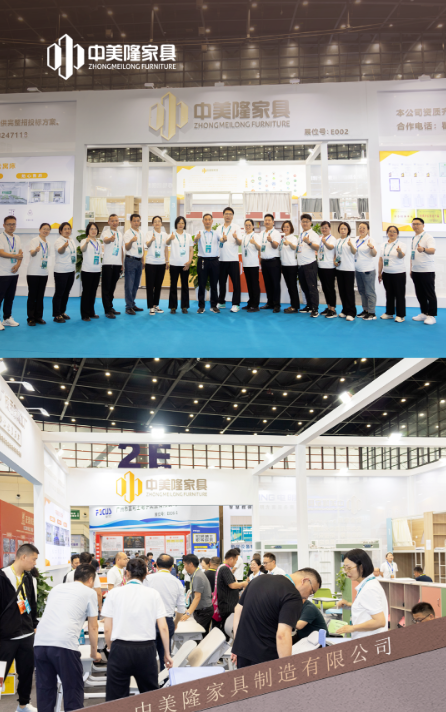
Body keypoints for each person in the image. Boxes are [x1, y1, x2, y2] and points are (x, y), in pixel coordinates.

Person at [102, 558, 173, 701]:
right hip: (146, 650)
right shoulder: (153, 594)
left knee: (116, 700)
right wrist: (166, 653)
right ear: (145, 574)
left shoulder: (114, 593)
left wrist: (110, 648)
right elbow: (163, 627)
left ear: (127, 573)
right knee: (150, 697)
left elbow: (107, 628)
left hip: (120, 649)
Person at [34, 564, 101, 712]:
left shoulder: (57, 588)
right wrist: (94, 652)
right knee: (73, 690)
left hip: (40, 642)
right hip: (64, 644)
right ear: (91, 579)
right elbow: (93, 626)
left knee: (45, 691)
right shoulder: (89, 593)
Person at [231, 568, 321, 668]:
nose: (307, 597)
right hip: (265, 657)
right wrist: (286, 667)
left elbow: (238, 609)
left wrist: (236, 646)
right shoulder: (293, 596)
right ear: (305, 580)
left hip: (243, 653)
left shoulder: (259, 579)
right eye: (311, 591)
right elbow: (282, 635)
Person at [0, 543, 39, 712]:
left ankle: (23, 705)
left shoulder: (28, 578)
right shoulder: (2, 577)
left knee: (26, 672)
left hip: (26, 635)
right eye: (34, 559)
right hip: (6, 637)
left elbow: (31, 604)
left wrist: (33, 625)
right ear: (23, 557)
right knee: (0, 674)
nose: (35, 563)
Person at [336, 548, 388, 639]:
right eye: (345, 568)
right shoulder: (368, 584)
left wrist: (352, 628)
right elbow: (367, 608)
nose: (346, 571)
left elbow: (380, 621)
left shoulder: (369, 588)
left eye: (349, 568)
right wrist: (349, 605)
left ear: (361, 567)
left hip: (370, 640)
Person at [145, 554, 186, 670]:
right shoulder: (177, 582)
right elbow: (181, 608)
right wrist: (175, 622)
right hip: (167, 621)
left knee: (148, 655)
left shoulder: (148, 579)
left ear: (156, 565)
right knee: (166, 655)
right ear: (171, 566)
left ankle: (150, 678)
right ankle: (165, 679)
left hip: (149, 621)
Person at [410, 216, 437, 326]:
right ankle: (424, 313)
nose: (415, 226)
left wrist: (423, 249)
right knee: (420, 294)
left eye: (418, 224)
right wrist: (411, 269)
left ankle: (431, 316)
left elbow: (432, 250)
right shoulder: (414, 238)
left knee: (429, 294)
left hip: (427, 270)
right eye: (414, 224)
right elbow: (412, 255)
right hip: (416, 271)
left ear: (423, 225)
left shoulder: (428, 237)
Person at [215, 549, 249, 631]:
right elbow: (232, 585)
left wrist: (238, 585)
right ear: (231, 559)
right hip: (228, 606)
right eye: (236, 560)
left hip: (226, 604)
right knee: (228, 630)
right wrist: (243, 583)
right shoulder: (225, 569)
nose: (236, 563)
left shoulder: (222, 567)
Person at [216, 206, 243, 312]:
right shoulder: (219, 228)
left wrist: (236, 237)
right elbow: (218, 241)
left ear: (232, 216)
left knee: (236, 283)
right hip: (221, 259)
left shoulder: (236, 227)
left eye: (230, 214)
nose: (228, 215)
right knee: (221, 283)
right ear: (223, 215)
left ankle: (236, 304)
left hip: (233, 260)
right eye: (226, 214)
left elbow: (240, 243)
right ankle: (221, 302)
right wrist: (222, 239)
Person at [379, 225, 406, 322]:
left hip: (398, 273)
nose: (392, 233)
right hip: (386, 273)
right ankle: (389, 313)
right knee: (389, 294)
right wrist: (379, 272)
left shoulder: (401, 244)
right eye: (390, 231)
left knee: (399, 294)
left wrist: (399, 251)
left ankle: (400, 315)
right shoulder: (383, 245)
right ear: (387, 233)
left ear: (397, 234)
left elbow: (401, 256)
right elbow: (381, 259)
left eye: (394, 231)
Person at [166, 216, 193, 314]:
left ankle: (184, 306)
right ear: (176, 224)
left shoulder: (188, 236)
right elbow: (166, 244)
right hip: (174, 264)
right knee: (173, 285)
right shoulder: (172, 235)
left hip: (185, 264)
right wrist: (170, 238)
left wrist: (189, 261)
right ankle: (173, 307)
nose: (181, 225)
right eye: (179, 223)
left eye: (182, 223)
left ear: (184, 224)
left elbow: (191, 250)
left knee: (185, 285)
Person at [180, 553, 214, 631]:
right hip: (201, 610)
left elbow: (197, 597)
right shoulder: (196, 574)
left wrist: (188, 613)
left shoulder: (198, 576)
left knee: (198, 633)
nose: (184, 567)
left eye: (185, 564)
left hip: (204, 611)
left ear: (191, 564)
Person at [0, 214, 23, 329]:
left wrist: (18, 265)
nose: (11, 226)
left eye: (13, 224)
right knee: (0, 297)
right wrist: (14, 256)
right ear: (4, 225)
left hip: (14, 272)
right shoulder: (1, 237)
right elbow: (0, 252)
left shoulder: (17, 238)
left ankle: (7, 318)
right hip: (2, 272)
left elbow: (20, 254)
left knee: (10, 297)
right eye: (9, 224)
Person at [195, 213, 220, 314]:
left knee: (214, 284)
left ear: (212, 221)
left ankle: (214, 306)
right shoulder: (199, 232)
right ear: (203, 221)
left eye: (209, 219)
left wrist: (224, 239)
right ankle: (201, 306)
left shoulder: (216, 233)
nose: (207, 221)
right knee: (202, 284)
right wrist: (197, 238)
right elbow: (195, 241)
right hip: (203, 261)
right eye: (205, 219)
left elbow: (222, 240)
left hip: (214, 261)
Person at [26, 222, 51, 326]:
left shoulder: (48, 243)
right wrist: (35, 250)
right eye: (44, 229)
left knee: (40, 296)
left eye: (48, 229)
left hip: (44, 272)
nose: (46, 231)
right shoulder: (34, 240)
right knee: (32, 295)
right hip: (33, 272)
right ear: (39, 230)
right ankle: (31, 318)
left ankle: (39, 316)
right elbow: (32, 253)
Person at [52, 221, 76, 323]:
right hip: (61, 271)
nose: (67, 231)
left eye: (69, 229)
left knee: (66, 293)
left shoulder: (71, 240)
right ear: (60, 231)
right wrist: (64, 246)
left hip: (71, 270)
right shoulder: (59, 241)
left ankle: (62, 312)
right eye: (65, 229)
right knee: (59, 293)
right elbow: (60, 251)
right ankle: (57, 315)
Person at [297, 213, 320, 317]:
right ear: (301, 223)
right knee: (305, 287)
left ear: (310, 223)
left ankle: (315, 309)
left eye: (307, 221)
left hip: (310, 264)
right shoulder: (301, 234)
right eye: (303, 221)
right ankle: (309, 306)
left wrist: (309, 242)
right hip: (301, 265)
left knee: (312, 287)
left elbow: (317, 247)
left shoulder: (313, 234)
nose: (305, 223)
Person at [101, 213, 123, 319]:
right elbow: (105, 240)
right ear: (109, 222)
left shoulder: (120, 233)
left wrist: (122, 263)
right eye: (112, 221)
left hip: (117, 264)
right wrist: (110, 239)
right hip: (108, 263)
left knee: (112, 287)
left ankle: (110, 306)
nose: (114, 222)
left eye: (116, 220)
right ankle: (107, 310)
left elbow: (121, 249)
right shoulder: (105, 232)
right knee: (106, 287)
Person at [145, 215, 168, 315]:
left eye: (159, 221)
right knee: (150, 285)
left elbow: (166, 248)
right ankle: (151, 307)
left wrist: (167, 261)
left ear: (161, 223)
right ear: (152, 224)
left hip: (161, 263)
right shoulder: (149, 233)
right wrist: (151, 240)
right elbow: (147, 245)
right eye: (155, 221)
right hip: (151, 262)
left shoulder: (165, 234)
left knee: (158, 285)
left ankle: (156, 305)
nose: (157, 223)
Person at [354, 221, 377, 321]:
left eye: (364, 228)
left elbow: (374, 254)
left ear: (368, 230)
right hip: (358, 269)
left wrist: (371, 247)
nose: (361, 229)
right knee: (362, 291)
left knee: (369, 292)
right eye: (360, 227)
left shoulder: (370, 240)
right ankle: (365, 310)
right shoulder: (355, 239)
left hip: (368, 270)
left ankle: (372, 313)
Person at [259, 213, 281, 313]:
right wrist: (260, 259)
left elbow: (275, 246)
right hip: (264, 261)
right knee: (267, 284)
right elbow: (260, 247)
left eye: (269, 220)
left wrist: (271, 241)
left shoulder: (276, 233)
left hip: (274, 261)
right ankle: (270, 303)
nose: (267, 222)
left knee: (275, 284)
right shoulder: (261, 233)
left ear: (273, 222)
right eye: (265, 220)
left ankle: (276, 305)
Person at [335, 221, 357, 321]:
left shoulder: (352, 240)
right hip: (339, 268)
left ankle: (351, 312)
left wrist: (350, 245)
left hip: (348, 269)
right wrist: (335, 261)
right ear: (339, 230)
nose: (343, 230)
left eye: (345, 228)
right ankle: (344, 310)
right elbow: (336, 254)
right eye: (341, 228)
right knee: (342, 291)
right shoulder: (337, 241)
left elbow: (354, 252)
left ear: (348, 230)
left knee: (349, 291)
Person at [80, 222, 102, 322]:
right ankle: (85, 314)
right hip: (87, 270)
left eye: (95, 229)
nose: (93, 231)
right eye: (91, 229)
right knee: (86, 292)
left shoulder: (98, 242)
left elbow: (99, 255)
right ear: (88, 230)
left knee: (93, 292)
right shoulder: (84, 240)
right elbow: (82, 249)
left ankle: (91, 312)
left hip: (97, 270)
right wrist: (87, 242)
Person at [123, 213, 144, 315]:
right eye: (134, 220)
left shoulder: (141, 232)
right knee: (129, 285)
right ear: (131, 222)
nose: (136, 222)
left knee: (135, 285)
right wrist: (131, 241)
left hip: (139, 261)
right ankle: (128, 307)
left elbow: (142, 247)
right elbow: (127, 247)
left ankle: (132, 303)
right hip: (130, 260)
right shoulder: (127, 233)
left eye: (138, 220)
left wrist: (143, 260)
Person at [317, 220, 337, 318]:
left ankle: (333, 309)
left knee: (330, 288)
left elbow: (331, 247)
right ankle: (328, 307)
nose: (324, 229)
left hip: (329, 267)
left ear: (329, 228)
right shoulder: (320, 238)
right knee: (324, 288)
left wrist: (325, 243)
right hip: (321, 266)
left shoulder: (332, 238)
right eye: (322, 227)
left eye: (326, 227)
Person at [241, 218, 261, 312]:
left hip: (253, 264)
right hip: (246, 264)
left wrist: (255, 243)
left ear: (253, 226)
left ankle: (255, 305)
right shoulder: (244, 236)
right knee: (249, 284)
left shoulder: (256, 236)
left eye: (249, 225)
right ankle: (250, 302)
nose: (248, 227)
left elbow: (260, 248)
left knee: (254, 285)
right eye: (246, 225)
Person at [280, 220, 299, 313]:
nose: (285, 228)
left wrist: (290, 243)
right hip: (284, 265)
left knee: (292, 286)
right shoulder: (283, 238)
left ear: (291, 228)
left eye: (287, 226)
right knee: (289, 286)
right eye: (284, 226)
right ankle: (293, 305)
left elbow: (295, 247)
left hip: (291, 265)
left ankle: (295, 306)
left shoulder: (293, 238)